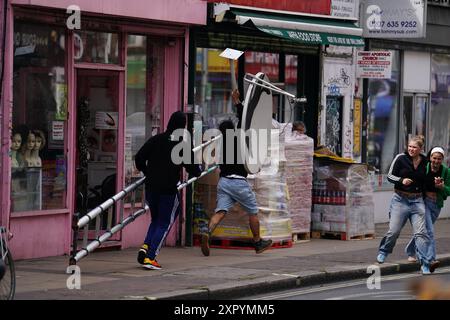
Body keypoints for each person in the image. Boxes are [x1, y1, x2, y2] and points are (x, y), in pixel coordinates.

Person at [201, 89, 273, 257]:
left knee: (221, 211)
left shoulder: (220, 145)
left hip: (224, 182)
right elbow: (244, 120)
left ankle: (208, 231)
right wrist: (237, 102)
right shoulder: (239, 138)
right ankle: (258, 242)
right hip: (239, 182)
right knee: (253, 211)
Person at [135, 111, 201, 270]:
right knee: (165, 222)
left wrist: (148, 172)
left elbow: (139, 158)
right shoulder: (181, 145)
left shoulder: (156, 139)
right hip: (168, 190)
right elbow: (194, 169)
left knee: (156, 219)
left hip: (151, 188)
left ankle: (145, 247)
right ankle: (151, 257)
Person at [376, 135, 434, 274]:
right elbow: (389, 176)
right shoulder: (401, 158)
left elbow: (428, 180)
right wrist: (401, 180)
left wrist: (435, 186)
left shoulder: (425, 161)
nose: (411, 149)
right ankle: (384, 251)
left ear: (420, 149)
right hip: (400, 200)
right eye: (410, 146)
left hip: (417, 200)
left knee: (421, 233)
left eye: (414, 147)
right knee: (394, 231)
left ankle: (425, 264)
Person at [405, 146, 450, 269]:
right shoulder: (424, 168)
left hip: (436, 205)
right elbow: (417, 183)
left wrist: (442, 187)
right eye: (434, 158)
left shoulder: (446, 171)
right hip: (423, 203)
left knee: (422, 231)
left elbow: (449, 190)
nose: (436, 161)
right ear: (430, 158)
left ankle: (410, 250)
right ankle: (430, 259)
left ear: (442, 159)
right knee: (429, 231)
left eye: (439, 159)